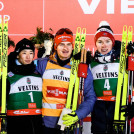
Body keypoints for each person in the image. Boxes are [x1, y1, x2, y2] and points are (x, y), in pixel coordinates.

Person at [36, 28, 96, 134]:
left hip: (70, 124)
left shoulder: (81, 67)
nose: (65, 48)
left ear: (72, 46)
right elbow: (22, 66)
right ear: (55, 46)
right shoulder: (43, 64)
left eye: (68, 44)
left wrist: (78, 114)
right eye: (61, 44)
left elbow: (90, 97)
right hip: (46, 125)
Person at [90, 21, 122, 134]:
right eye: (100, 42)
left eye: (108, 41)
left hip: (118, 109)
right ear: (95, 44)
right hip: (98, 111)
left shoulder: (121, 61)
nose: (104, 46)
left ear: (113, 43)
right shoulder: (91, 64)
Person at [6, 38, 43, 134]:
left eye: (31, 53)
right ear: (17, 55)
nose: (28, 57)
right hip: (16, 124)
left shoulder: (38, 74)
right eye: (24, 53)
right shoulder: (9, 76)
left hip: (37, 124)